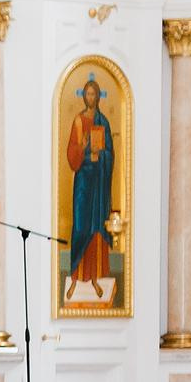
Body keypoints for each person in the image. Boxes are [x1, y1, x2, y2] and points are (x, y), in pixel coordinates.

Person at [64, 77, 118, 304]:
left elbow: (110, 154)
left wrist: (101, 156)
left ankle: (95, 277)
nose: (90, 98)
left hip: (98, 182)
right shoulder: (78, 121)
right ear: (83, 96)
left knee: (96, 227)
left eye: (94, 94)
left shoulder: (103, 122)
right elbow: (71, 155)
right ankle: (76, 277)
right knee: (80, 225)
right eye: (87, 94)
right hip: (83, 182)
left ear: (98, 96)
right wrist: (85, 149)